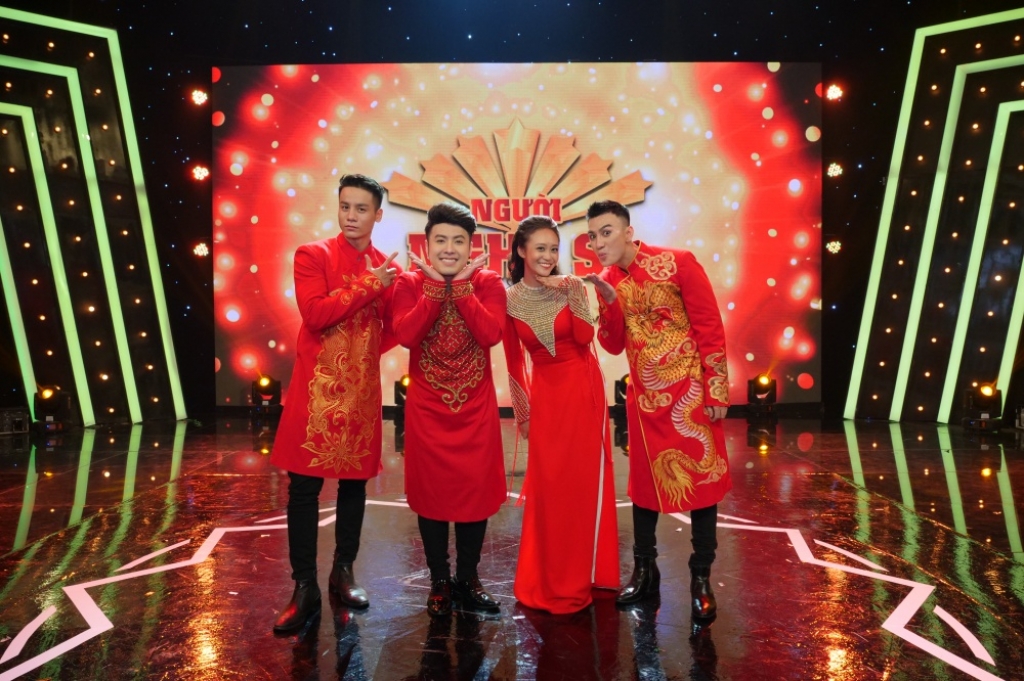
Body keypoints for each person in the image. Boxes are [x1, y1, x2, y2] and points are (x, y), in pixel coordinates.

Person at [584, 200, 732, 620]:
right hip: (645, 402)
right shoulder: (607, 281)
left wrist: (716, 391)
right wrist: (609, 303)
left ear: (628, 232)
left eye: (606, 232)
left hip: (690, 395)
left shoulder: (678, 263)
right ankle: (645, 571)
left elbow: (709, 326)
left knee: (702, 486)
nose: (598, 243)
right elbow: (613, 344)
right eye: (592, 236)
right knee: (644, 489)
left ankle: (701, 577)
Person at [270, 173, 401, 633]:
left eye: (361, 209)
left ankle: (343, 573)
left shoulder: (387, 268)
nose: (351, 216)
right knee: (303, 490)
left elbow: (391, 330)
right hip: (315, 394)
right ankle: (303, 585)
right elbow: (315, 314)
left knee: (353, 487)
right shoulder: (314, 255)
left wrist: (360, 352)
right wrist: (369, 286)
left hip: (360, 395)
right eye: (345, 206)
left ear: (377, 215)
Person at [391, 203, 507, 617]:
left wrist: (460, 288)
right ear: (426, 244)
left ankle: (468, 579)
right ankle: (439, 580)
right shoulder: (409, 283)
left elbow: (490, 333)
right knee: (431, 496)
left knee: (475, 495)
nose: (449, 249)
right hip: (428, 409)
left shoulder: (488, 282)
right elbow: (407, 335)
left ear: (471, 246)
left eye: (458, 241)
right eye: (441, 240)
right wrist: (434, 291)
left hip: (474, 409)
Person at [502, 215, 619, 614]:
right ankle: (548, 575)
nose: (548, 257)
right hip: (546, 398)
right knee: (550, 488)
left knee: (580, 485)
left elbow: (585, 338)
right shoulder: (510, 299)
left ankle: (581, 577)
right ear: (521, 250)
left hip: (583, 392)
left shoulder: (570, 287)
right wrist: (524, 413)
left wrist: (574, 293)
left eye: (554, 249)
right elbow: (513, 361)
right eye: (540, 248)